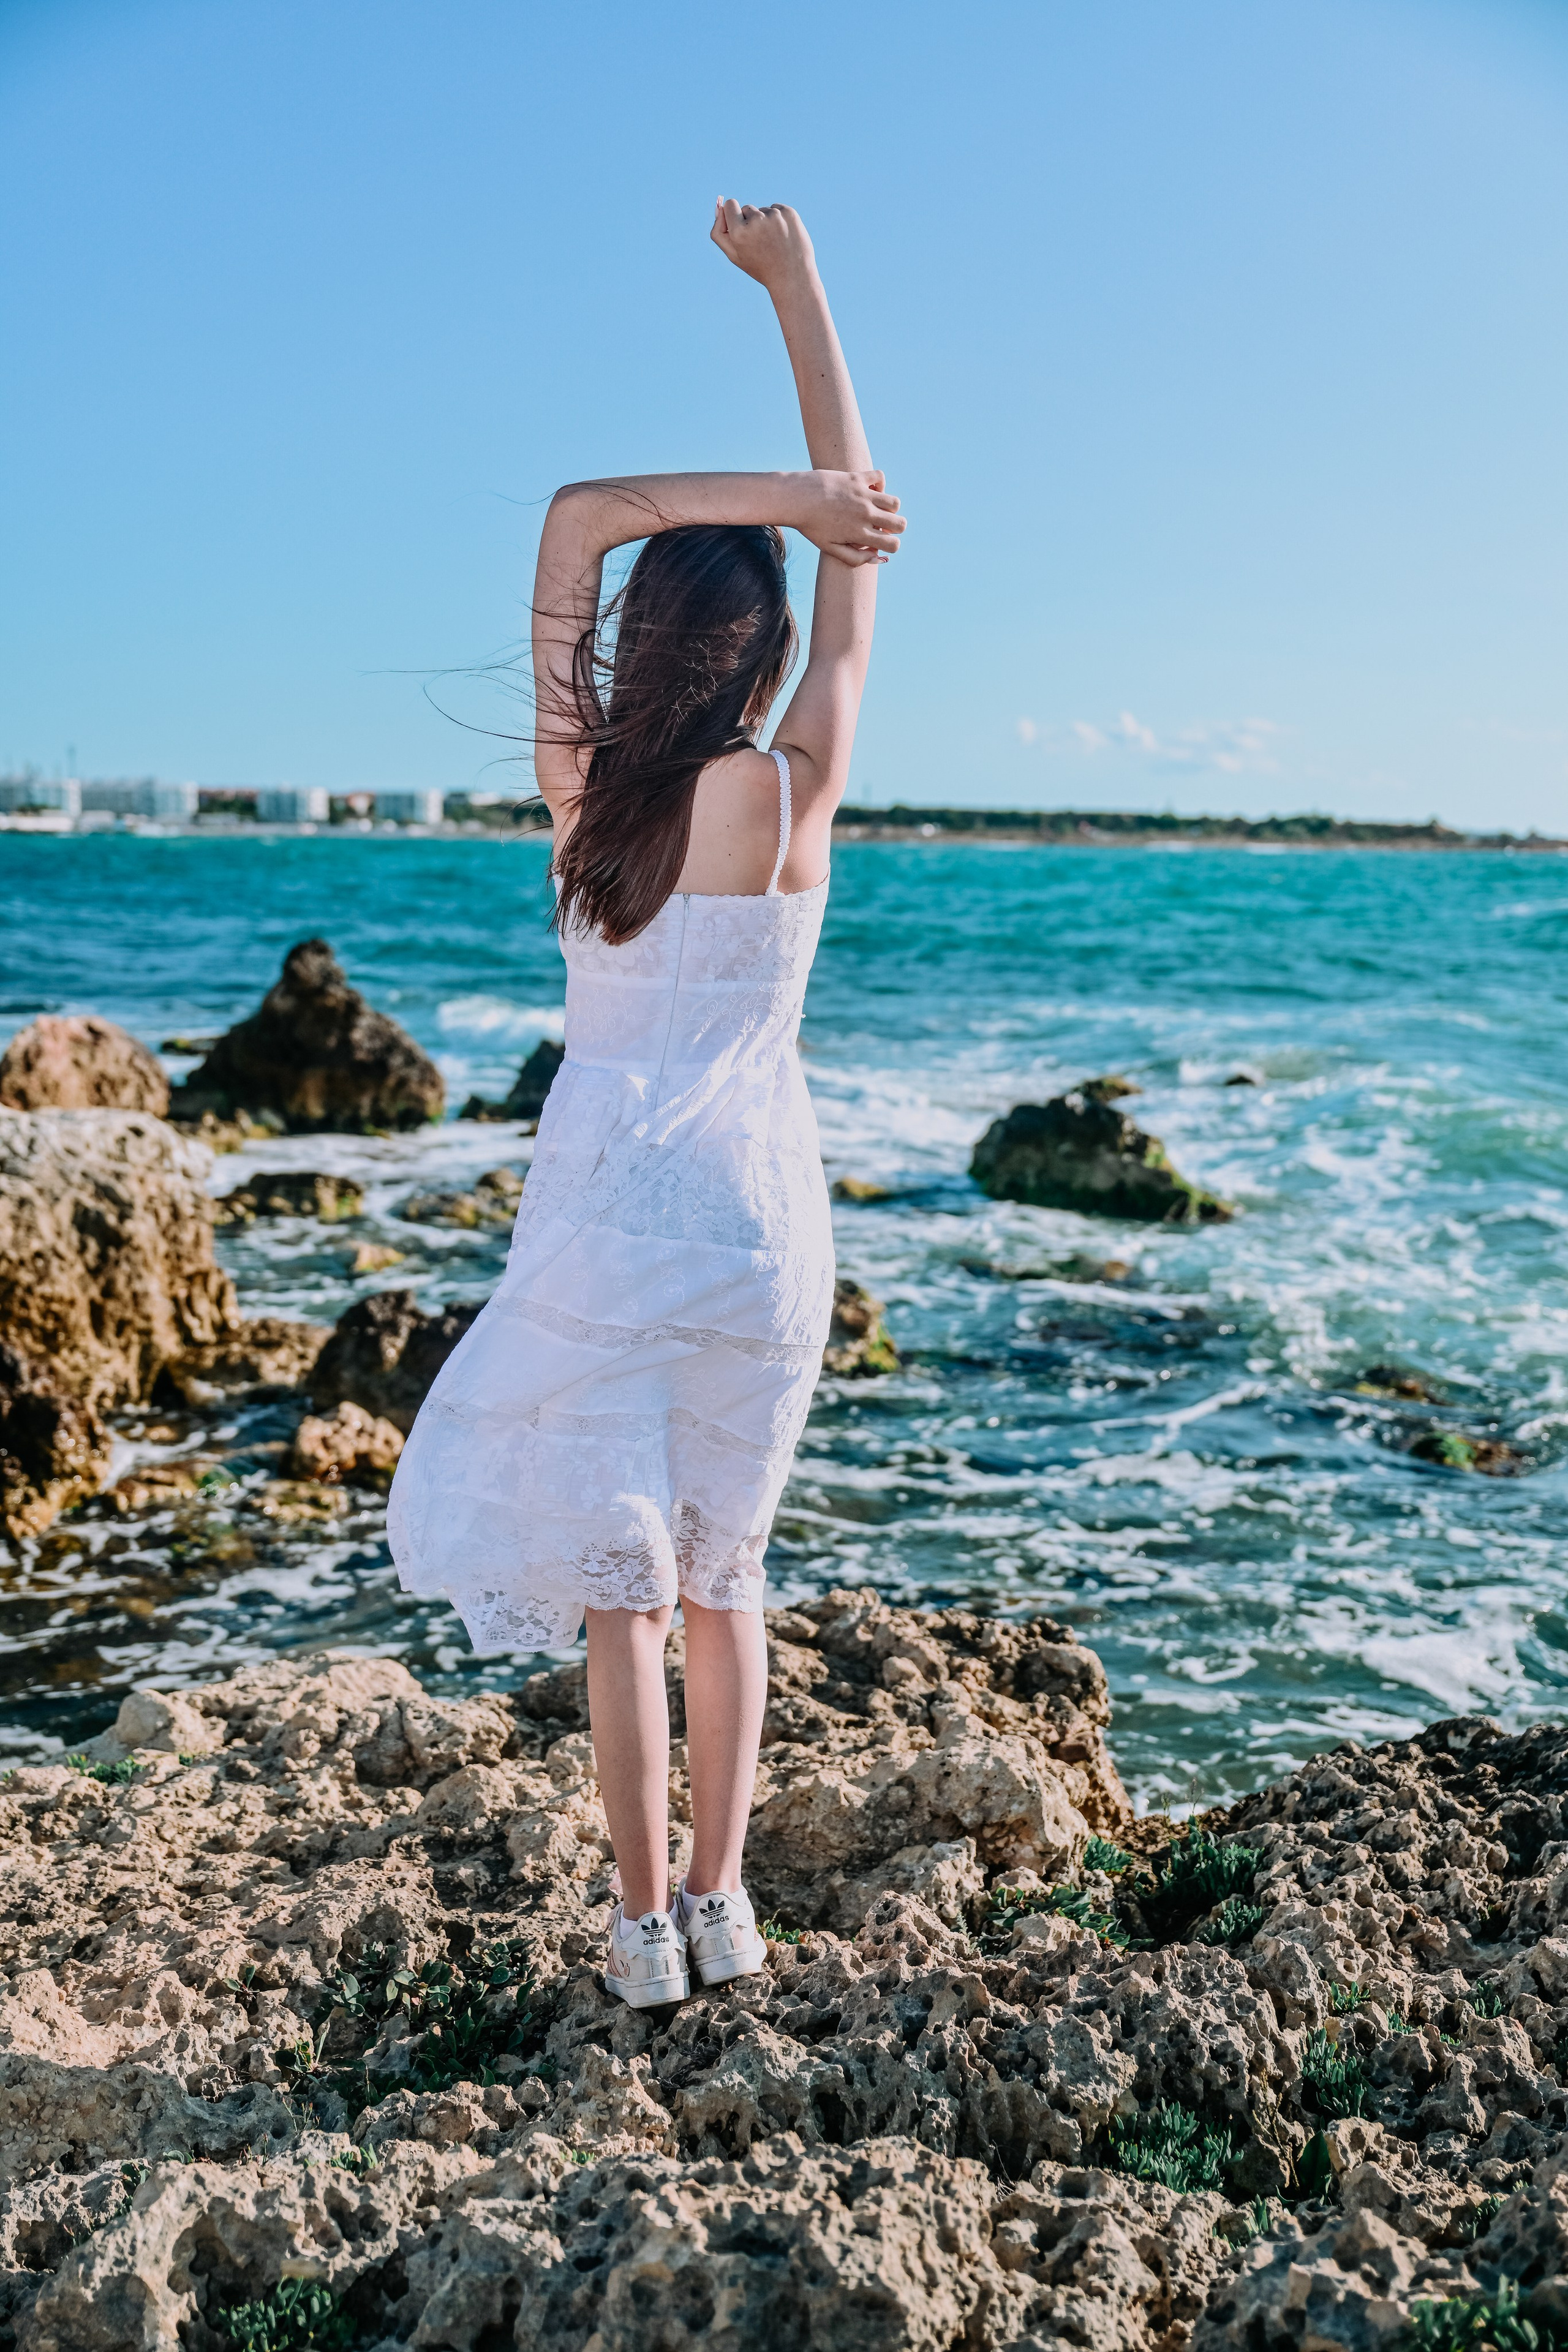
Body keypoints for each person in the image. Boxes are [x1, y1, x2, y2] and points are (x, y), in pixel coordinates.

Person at [388, 200, 903, 2008]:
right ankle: (723, 1901)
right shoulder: (791, 791)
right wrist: (802, 297)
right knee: (723, 1581)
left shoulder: (579, 790)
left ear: (639, 648)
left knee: (623, 1588)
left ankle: (633, 1933)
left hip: (605, 1212)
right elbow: (871, 555)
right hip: (758, 1224)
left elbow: (574, 523)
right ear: (755, 662)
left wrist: (764, 503)